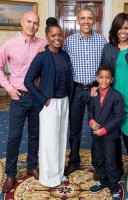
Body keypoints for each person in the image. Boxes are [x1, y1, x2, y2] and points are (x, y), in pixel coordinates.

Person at [0, 11, 46, 193]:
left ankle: (31, 166)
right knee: (14, 136)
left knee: (35, 134)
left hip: (36, 97)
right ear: (22, 22)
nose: (32, 26)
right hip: (18, 97)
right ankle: (10, 173)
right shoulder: (9, 45)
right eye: (29, 22)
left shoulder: (43, 44)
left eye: (35, 23)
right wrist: (9, 88)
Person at [24, 17, 73, 187]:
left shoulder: (65, 55)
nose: (57, 38)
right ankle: (48, 177)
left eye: (60, 35)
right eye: (53, 35)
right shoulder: (42, 56)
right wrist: (43, 99)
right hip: (49, 103)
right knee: (49, 141)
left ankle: (59, 174)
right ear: (47, 37)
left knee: (60, 140)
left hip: (64, 101)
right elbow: (28, 81)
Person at [100, 13, 128, 185]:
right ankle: (117, 166)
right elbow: (103, 71)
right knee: (113, 137)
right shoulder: (108, 48)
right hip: (113, 102)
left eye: (126, 28)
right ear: (114, 29)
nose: (123, 31)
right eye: (119, 28)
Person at [62, 7, 107, 176]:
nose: (86, 21)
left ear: (94, 20)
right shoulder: (69, 41)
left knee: (97, 127)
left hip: (96, 90)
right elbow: (61, 61)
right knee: (74, 129)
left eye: (89, 18)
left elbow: (105, 65)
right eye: (83, 18)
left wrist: (98, 83)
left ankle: (98, 163)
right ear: (78, 21)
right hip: (76, 90)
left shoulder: (101, 41)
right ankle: (74, 161)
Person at [88, 64, 124, 200]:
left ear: (112, 79)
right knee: (98, 159)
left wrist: (103, 130)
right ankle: (103, 181)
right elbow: (90, 110)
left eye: (107, 78)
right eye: (101, 77)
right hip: (95, 134)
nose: (104, 80)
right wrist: (91, 122)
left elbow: (118, 117)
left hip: (109, 135)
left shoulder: (116, 96)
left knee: (110, 162)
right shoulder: (94, 94)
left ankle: (114, 189)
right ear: (97, 78)